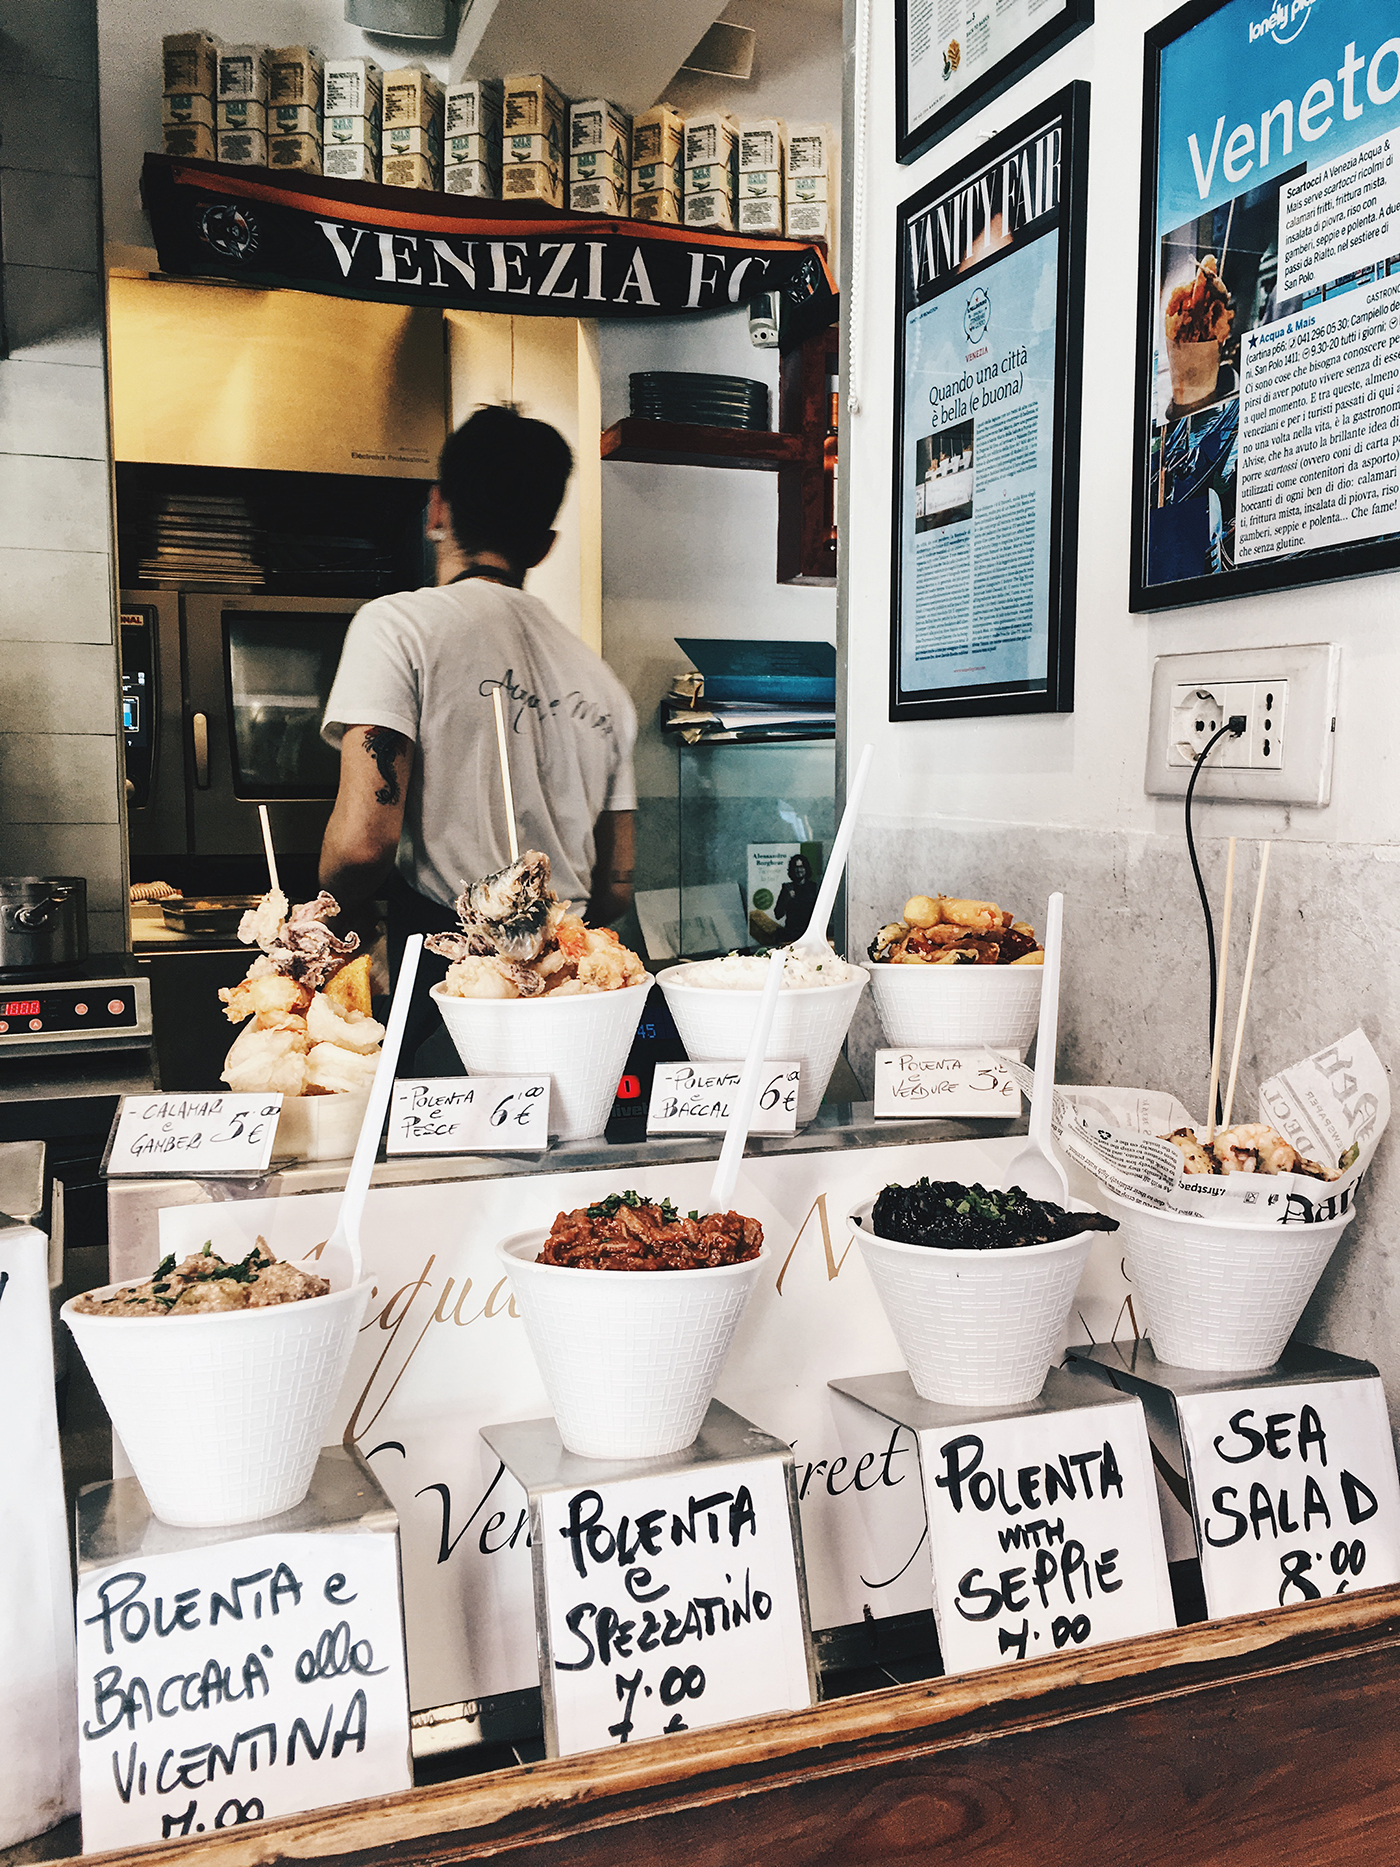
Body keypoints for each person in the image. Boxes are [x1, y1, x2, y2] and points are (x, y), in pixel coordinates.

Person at [318, 403, 638, 1063]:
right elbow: (616, 885)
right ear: (544, 544)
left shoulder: (398, 627)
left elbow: (360, 846)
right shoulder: (603, 685)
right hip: (575, 986)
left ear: (437, 508)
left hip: (454, 981)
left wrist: (331, 921)